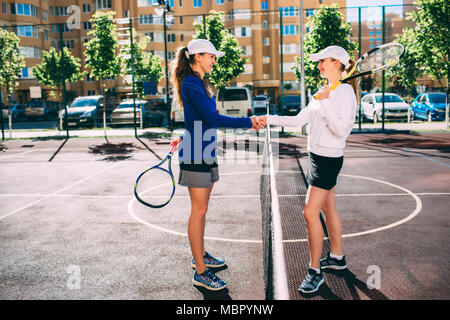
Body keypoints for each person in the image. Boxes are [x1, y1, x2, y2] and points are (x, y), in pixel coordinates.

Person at [256, 45, 358, 294]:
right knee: (327, 207)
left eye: (323, 61)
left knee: (309, 213)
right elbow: (297, 120)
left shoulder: (345, 93)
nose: (319, 65)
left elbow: (340, 130)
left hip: (328, 160)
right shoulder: (323, 92)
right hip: (316, 157)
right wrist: (267, 119)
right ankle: (336, 257)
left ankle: (315, 272)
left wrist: (324, 103)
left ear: (337, 62)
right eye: (319, 61)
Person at [169, 39, 260, 291]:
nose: (214, 60)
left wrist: (185, 134)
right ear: (197, 56)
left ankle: (201, 255)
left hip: (204, 151)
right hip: (196, 155)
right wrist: (248, 122)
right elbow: (210, 118)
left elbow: (198, 120)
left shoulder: (200, 83)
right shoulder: (190, 82)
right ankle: (200, 270)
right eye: (211, 56)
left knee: (202, 210)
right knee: (197, 211)